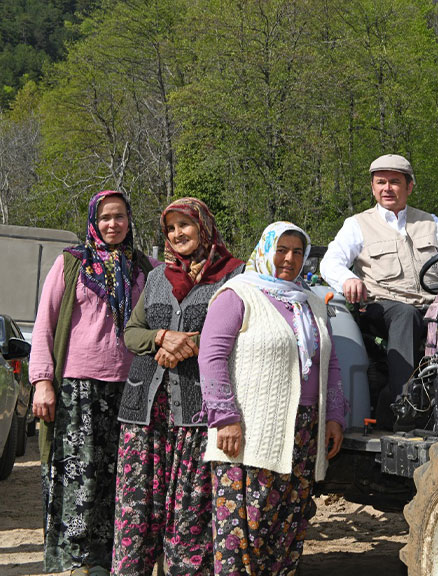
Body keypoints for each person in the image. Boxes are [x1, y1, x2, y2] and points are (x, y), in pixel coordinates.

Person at [200, 221, 347, 576]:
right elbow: (211, 356)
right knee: (243, 528)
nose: (290, 259)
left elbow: (332, 361)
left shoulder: (310, 300)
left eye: (297, 252)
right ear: (266, 251)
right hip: (249, 430)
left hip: (303, 429)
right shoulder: (238, 294)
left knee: (287, 524)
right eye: (281, 250)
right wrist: (224, 416)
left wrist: (334, 416)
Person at [113, 198, 245, 576]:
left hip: (195, 415)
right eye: (170, 228)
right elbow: (132, 333)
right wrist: (162, 337)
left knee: (190, 516)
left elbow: (238, 334)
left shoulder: (233, 277)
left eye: (184, 225)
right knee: (136, 512)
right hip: (144, 414)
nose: (177, 234)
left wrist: (191, 345)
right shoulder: (157, 276)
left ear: (202, 226)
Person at [29, 190, 153, 575]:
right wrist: (42, 381)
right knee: (77, 473)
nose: (112, 224)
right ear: (93, 222)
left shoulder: (146, 269)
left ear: (130, 220)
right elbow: (45, 324)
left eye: (119, 217)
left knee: (120, 477)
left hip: (131, 389)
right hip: (77, 388)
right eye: (105, 218)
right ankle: (73, 560)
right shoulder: (71, 263)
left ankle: (113, 558)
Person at [320, 154, 438, 428]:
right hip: (380, 307)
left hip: (430, 307)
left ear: (409, 187)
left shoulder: (431, 223)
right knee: (405, 314)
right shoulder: (357, 224)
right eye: (381, 182)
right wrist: (348, 280)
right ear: (373, 187)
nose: (387, 188)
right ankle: (405, 406)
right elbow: (330, 262)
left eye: (395, 182)